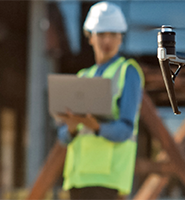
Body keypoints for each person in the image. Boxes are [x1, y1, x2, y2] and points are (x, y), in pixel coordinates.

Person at [55, 1, 144, 200]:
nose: (107, 40)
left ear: (121, 37)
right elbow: (62, 138)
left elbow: (126, 129)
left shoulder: (127, 72)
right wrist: (70, 127)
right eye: (102, 34)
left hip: (109, 181)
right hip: (78, 180)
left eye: (113, 34)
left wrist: (97, 127)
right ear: (90, 37)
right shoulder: (82, 77)